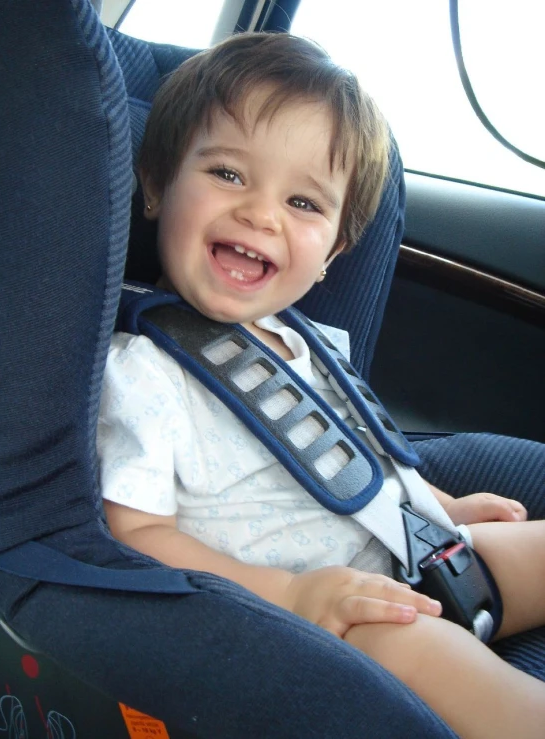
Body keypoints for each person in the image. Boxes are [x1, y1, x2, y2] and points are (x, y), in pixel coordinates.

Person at [97, 32, 545, 738]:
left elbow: (359, 452)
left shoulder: (306, 343)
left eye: (304, 203)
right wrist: (296, 595)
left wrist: (444, 506)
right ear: (156, 184)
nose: (262, 213)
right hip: (335, 621)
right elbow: (135, 531)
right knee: (486, 688)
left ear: (335, 249)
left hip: (418, 550)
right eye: (229, 174)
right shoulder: (143, 372)